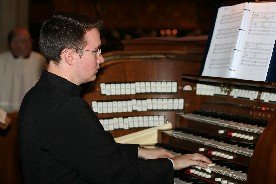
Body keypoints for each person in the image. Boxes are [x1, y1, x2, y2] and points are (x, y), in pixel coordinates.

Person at [18, 14, 211, 184]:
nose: (101, 59)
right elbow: (116, 175)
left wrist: (139, 152)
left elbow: (86, 151)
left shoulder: (37, 95)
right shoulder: (67, 107)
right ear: (69, 56)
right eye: (96, 51)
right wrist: (171, 164)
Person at [0, 28, 45, 112]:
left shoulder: (40, 60)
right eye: (24, 41)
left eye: (29, 40)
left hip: (32, 113)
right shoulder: (1, 60)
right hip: (6, 114)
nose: (28, 44)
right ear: (13, 44)